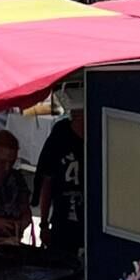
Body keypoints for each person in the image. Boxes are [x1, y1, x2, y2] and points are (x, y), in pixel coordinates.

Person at [33, 89, 86, 256]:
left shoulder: (101, 134)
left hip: (92, 224)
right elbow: (46, 179)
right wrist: (43, 224)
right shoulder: (60, 134)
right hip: (62, 222)